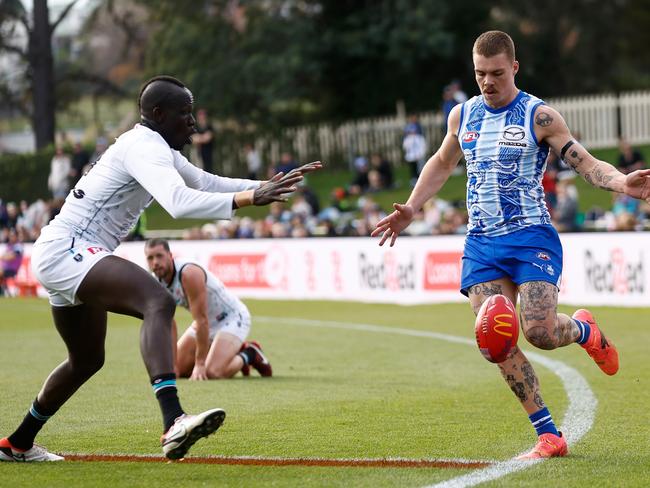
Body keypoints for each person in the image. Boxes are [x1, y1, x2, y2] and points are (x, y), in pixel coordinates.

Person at [0, 75, 322, 463]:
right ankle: (173, 421)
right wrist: (250, 198)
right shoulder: (144, 147)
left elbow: (205, 182)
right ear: (158, 114)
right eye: (184, 114)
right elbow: (179, 202)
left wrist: (266, 184)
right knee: (158, 302)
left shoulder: (153, 147)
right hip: (69, 249)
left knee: (86, 360)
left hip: (68, 251)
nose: (192, 122)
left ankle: (17, 443)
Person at [372, 31, 650, 460]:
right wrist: (411, 206)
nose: (488, 81)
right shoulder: (461, 116)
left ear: (514, 68)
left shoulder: (539, 116)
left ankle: (582, 330)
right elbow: (443, 163)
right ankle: (549, 435)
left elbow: (586, 162)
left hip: (530, 237)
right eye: (480, 73)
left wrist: (620, 182)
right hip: (481, 243)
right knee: (495, 341)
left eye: (497, 73)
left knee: (540, 332)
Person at [144, 239, 272, 380]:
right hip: (204, 323)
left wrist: (200, 363)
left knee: (212, 372)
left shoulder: (189, 273)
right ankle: (222, 353)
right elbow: (169, 324)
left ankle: (250, 353)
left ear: (170, 255)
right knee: (179, 370)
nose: (155, 262)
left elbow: (201, 320)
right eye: (150, 258)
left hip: (231, 318)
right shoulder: (155, 283)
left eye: (159, 256)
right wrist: (173, 365)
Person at [192, 109, 215, 173]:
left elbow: (207, 138)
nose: (201, 117)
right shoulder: (195, 128)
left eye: (203, 115)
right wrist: (203, 137)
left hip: (208, 155)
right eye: (200, 115)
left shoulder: (209, 127)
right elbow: (193, 139)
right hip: (197, 155)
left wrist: (199, 138)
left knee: (208, 172)